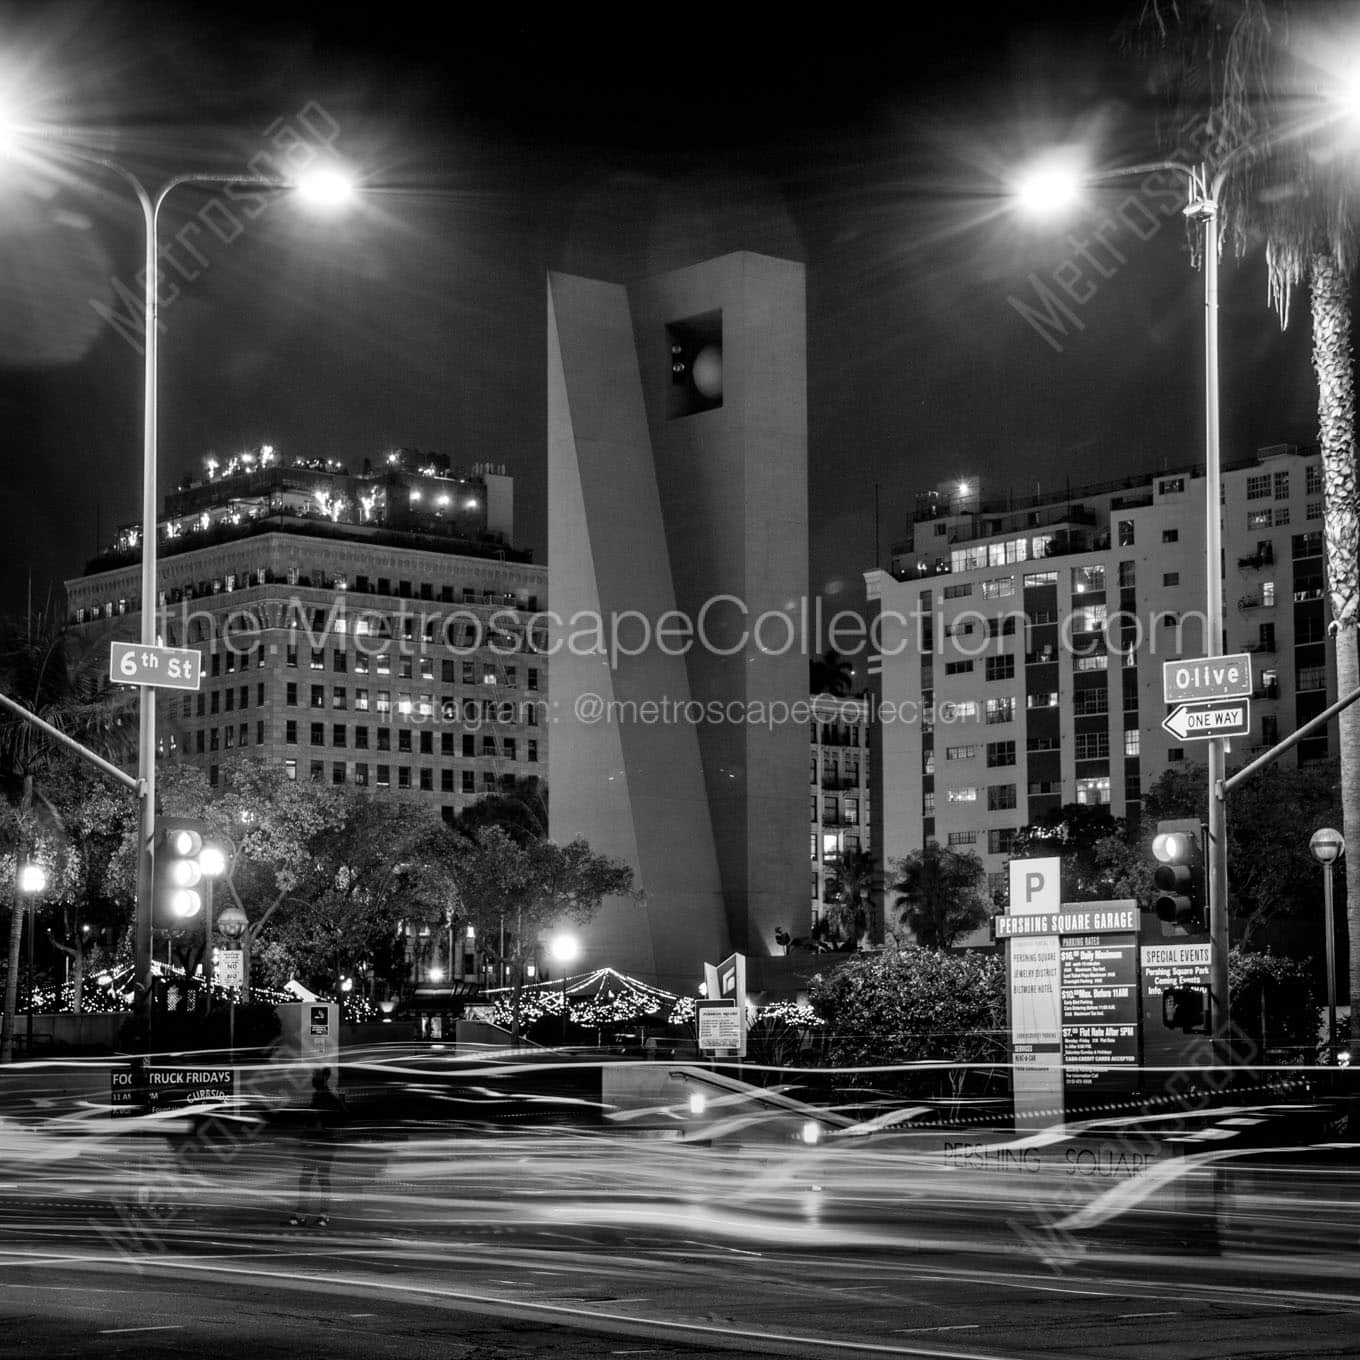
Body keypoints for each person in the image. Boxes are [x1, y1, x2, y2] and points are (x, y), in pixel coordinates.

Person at [289, 1067, 346, 1228]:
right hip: (323, 1144)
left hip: (319, 1144)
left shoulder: (325, 1097)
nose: (312, 1080)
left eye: (315, 1077)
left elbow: (322, 1119)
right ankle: (321, 1215)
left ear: (321, 1079)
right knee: (319, 1179)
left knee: (309, 1179)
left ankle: (306, 1214)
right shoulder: (326, 1096)